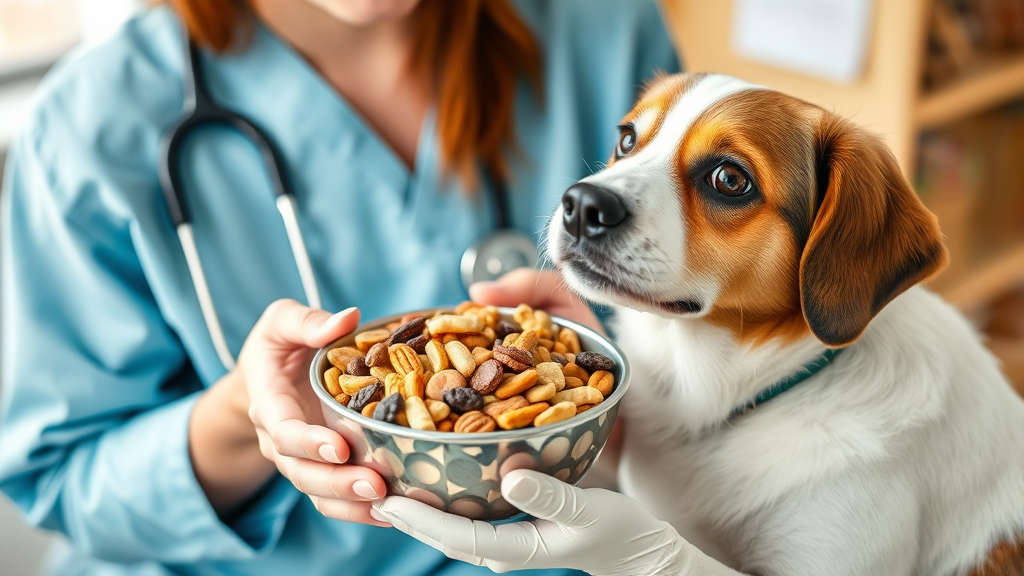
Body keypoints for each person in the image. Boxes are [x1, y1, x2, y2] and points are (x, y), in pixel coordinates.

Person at [0, 0, 680, 575]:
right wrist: (244, 417)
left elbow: (720, 367)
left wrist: (621, 418)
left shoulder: (605, 31)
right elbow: (63, 476)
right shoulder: (86, 131)